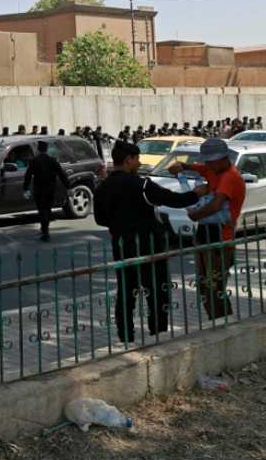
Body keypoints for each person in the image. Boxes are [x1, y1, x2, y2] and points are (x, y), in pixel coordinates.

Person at [94, 141, 203, 343]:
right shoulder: (142, 185)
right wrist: (196, 194)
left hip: (123, 246)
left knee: (126, 293)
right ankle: (158, 333)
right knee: (157, 292)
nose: (140, 162)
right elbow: (175, 200)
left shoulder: (103, 187)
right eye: (137, 159)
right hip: (149, 247)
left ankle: (126, 337)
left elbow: (100, 219)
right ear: (128, 160)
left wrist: (120, 225)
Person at [166, 138, 247, 319]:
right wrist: (183, 166)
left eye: (211, 161)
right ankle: (218, 321)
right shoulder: (213, 169)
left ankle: (223, 322)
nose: (207, 164)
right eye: (207, 161)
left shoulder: (230, 176)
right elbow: (199, 168)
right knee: (206, 286)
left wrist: (195, 215)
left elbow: (217, 204)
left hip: (220, 237)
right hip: (206, 233)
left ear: (223, 158)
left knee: (213, 287)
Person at [22, 140, 71, 241]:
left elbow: (28, 175)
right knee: (47, 209)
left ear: (38, 149)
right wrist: (68, 186)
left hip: (39, 189)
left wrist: (25, 187)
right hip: (50, 189)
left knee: (41, 210)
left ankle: (45, 230)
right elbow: (62, 174)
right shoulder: (53, 160)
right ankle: (45, 229)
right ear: (46, 149)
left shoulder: (34, 161)